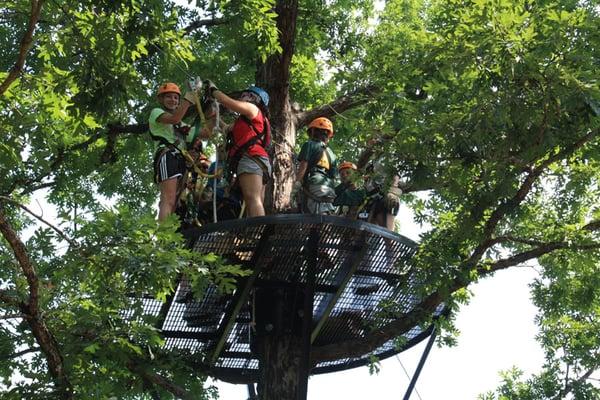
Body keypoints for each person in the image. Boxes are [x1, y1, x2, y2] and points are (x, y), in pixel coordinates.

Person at [204, 81, 271, 217]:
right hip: (258, 160)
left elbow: (227, 101)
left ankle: (258, 234)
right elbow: (225, 128)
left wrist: (213, 89)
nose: (242, 96)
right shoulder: (246, 121)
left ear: (254, 98)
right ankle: (256, 233)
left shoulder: (252, 109)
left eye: (246, 94)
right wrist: (214, 115)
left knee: (253, 199)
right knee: (254, 201)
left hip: (251, 158)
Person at [149, 82, 213, 221]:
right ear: (161, 100)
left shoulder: (181, 125)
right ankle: (164, 237)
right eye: (169, 97)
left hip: (180, 160)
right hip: (167, 155)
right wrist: (189, 97)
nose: (173, 100)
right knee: (168, 199)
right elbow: (174, 118)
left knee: (176, 202)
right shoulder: (157, 113)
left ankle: (170, 235)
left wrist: (214, 112)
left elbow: (205, 133)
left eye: (176, 98)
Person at [292, 117, 338, 214]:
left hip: (314, 185)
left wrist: (297, 183)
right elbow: (333, 175)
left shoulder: (309, 144)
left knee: (310, 216)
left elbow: (303, 165)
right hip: (330, 189)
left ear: (312, 131)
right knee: (325, 216)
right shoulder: (331, 153)